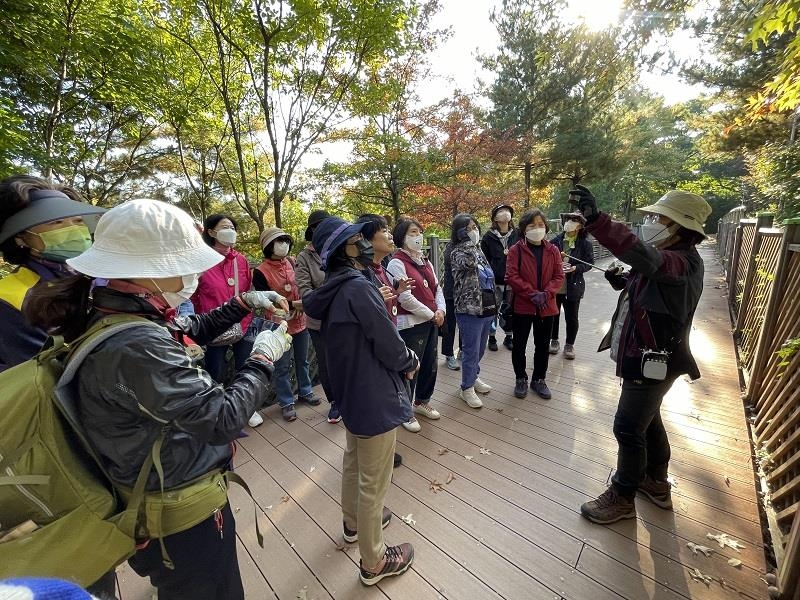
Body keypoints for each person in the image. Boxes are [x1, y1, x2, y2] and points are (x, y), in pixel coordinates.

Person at [22, 199, 291, 599]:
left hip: (148, 490)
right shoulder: (135, 342)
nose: (192, 272)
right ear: (151, 269)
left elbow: (187, 329)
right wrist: (263, 358)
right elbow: (221, 418)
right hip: (176, 509)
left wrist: (241, 303)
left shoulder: (115, 310)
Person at [571, 186, 712, 525]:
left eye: (658, 217)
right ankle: (656, 481)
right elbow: (651, 280)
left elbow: (649, 260)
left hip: (654, 359)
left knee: (628, 427)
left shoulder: (681, 261)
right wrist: (624, 282)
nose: (650, 222)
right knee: (648, 420)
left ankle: (623, 496)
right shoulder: (674, 257)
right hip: (650, 356)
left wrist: (598, 221)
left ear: (680, 227)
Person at [304, 216, 417, 585]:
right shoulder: (358, 287)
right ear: (346, 249)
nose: (367, 242)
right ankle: (375, 560)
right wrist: (409, 361)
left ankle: (353, 526)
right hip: (375, 395)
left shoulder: (335, 288)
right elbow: (386, 340)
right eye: (358, 239)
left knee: (354, 462)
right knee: (374, 482)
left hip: (352, 392)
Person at [0, 175, 105, 372]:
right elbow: (41, 372)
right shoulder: (11, 297)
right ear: (20, 237)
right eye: (56, 222)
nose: (73, 230)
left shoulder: (103, 278)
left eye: (78, 220)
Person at [254, 227, 320, 422]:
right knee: (282, 366)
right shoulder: (259, 272)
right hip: (278, 325)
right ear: (268, 245)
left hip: (300, 321)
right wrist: (293, 304)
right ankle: (286, 401)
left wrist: (301, 303)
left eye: (285, 240)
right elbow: (265, 299)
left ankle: (305, 391)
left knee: (303, 360)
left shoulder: (292, 261)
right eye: (278, 241)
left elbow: (302, 284)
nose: (283, 244)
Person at [387, 217, 445, 433]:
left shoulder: (426, 261)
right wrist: (432, 314)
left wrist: (441, 311)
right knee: (411, 368)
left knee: (430, 363)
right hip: (412, 325)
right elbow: (404, 298)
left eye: (419, 232)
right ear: (402, 236)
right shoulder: (396, 263)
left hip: (431, 321)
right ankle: (405, 411)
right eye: (412, 232)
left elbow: (437, 288)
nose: (418, 236)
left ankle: (422, 401)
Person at [505, 209, 564, 400]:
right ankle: (520, 378)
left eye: (540, 225)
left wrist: (546, 294)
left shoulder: (553, 250)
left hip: (547, 307)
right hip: (523, 305)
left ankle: (539, 379)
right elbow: (511, 276)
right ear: (523, 229)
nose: (537, 228)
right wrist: (532, 294)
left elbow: (559, 275)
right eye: (531, 225)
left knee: (542, 345)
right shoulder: (516, 250)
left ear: (546, 227)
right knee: (519, 345)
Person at [296, 209, 341, 423]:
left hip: (346, 318)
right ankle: (335, 402)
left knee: (347, 359)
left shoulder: (340, 249)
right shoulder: (304, 258)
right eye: (319, 226)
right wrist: (335, 294)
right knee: (326, 363)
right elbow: (305, 292)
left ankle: (350, 397)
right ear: (312, 231)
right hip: (320, 322)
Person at [450, 214, 496, 408]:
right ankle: (466, 387)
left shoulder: (477, 250)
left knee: (480, 348)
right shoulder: (457, 252)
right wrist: (467, 242)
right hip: (469, 309)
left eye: (475, 227)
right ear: (460, 233)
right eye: (469, 228)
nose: (474, 230)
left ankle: (473, 377)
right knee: (470, 350)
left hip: (486, 305)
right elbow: (468, 264)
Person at [549, 212, 594, 360]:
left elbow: (589, 263)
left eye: (574, 220)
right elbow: (547, 259)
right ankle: (554, 341)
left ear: (580, 225)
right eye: (567, 219)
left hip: (573, 285)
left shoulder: (585, 243)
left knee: (572, 317)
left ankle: (569, 344)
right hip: (556, 285)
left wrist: (575, 268)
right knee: (553, 314)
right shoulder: (556, 240)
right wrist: (557, 263)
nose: (569, 222)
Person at [481, 203, 518, 352]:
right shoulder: (488, 237)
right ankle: (492, 337)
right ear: (495, 218)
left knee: (510, 310)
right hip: (494, 281)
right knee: (493, 310)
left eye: (507, 211)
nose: (504, 214)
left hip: (512, 281)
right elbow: (484, 259)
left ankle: (509, 336)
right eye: (501, 212)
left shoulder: (517, 234)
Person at [440, 239, 461, 370]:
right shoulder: (450, 247)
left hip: (468, 294)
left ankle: (462, 350)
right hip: (451, 292)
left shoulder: (475, 246)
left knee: (466, 325)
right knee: (450, 325)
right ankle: (448, 354)